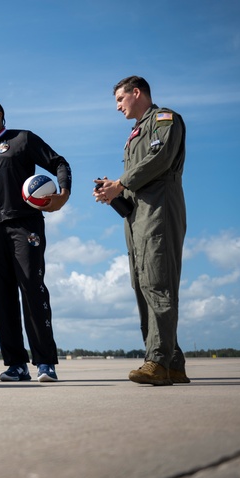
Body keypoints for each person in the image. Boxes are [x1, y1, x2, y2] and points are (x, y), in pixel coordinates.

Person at [0, 99, 71, 382]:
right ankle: (16, 364)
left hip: (24, 225)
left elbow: (59, 162)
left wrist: (63, 193)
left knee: (32, 289)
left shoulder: (22, 139)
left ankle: (45, 362)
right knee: (0, 298)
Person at [94, 76, 188, 386]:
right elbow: (137, 177)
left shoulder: (164, 120)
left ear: (137, 93)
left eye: (121, 99)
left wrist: (120, 183)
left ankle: (157, 361)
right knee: (142, 283)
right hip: (137, 216)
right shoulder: (135, 133)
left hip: (158, 211)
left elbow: (159, 159)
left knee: (157, 282)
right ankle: (172, 362)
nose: (118, 106)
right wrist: (113, 192)